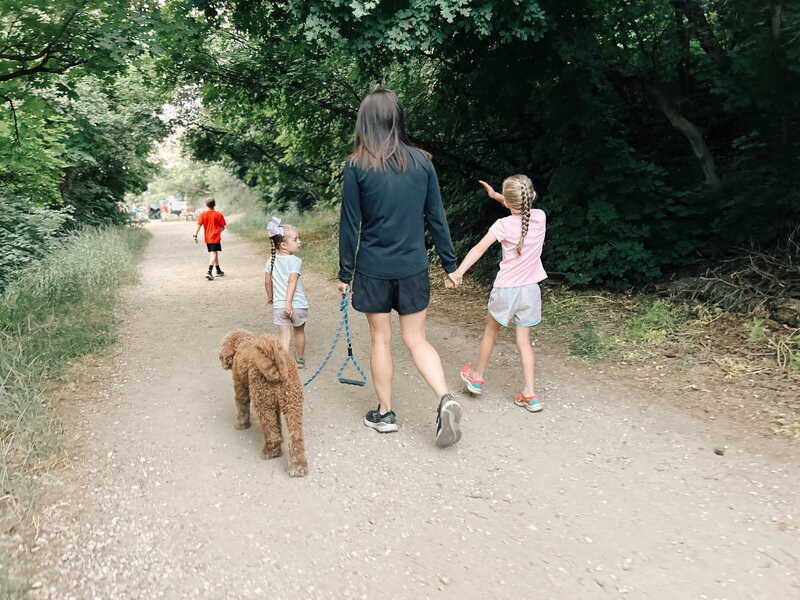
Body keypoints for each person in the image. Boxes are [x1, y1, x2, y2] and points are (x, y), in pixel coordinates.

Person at [338, 88, 463, 448]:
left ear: (365, 122)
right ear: (397, 119)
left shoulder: (357, 165)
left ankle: (385, 414)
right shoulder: (423, 161)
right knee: (416, 339)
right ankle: (444, 397)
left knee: (381, 339)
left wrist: (345, 274)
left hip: (373, 268)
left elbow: (350, 225)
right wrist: (449, 264)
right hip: (413, 267)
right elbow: (436, 217)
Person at [448, 176, 547, 412]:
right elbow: (522, 204)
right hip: (530, 291)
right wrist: (497, 197)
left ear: (507, 204)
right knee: (524, 341)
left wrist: (459, 272)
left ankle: (477, 378)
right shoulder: (541, 217)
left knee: (490, 335)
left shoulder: (502, 225)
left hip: (506, 291)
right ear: (532, 197)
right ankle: (530, 395)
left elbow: (479, 248)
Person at [265, 217, 307, 369]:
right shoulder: (295, 261)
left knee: (284, 336)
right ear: (283, 245)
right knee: (299, 332)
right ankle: (300, 360)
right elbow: (292, 282)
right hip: (297, 305)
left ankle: (282, 364)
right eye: (296, 239)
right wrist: (289, 302)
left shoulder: (271, 261)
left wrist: (271, 297)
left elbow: (267, 282)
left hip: (280, 306)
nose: (299, 241)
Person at [193, 197, 226, 280]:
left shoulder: (203, 215)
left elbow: (199, 225)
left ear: (206, 205)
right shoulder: (219, 215)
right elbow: (223, 227)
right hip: (215, 238)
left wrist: (195, 235)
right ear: (214, 204)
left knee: (214, 253)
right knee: (214, 253)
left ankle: (218, 270)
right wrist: (218, 232)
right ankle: (209, 271)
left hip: (208, 238)